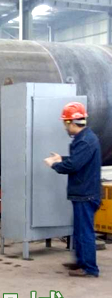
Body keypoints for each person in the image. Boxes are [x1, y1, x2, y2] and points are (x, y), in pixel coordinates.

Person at [44, 102, 101, 278]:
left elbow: (74, 165)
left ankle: (89, 268)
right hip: (83, 192)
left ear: (71, 122)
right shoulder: (85, 138)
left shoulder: (85, 141)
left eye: (65, 123)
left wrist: (55, 165)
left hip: (85, 194)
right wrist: (62, 158)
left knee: (84, 232)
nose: (64, 127)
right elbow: (78, 159)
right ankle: (82, 262)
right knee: (79, 231)